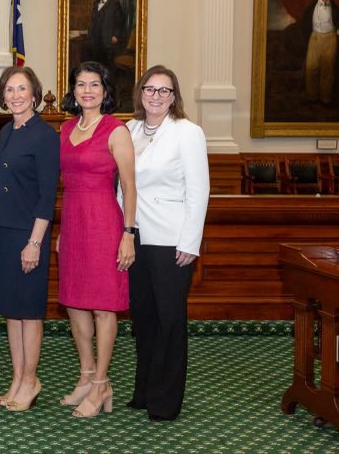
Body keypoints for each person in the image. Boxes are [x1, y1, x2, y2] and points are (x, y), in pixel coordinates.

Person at [125, 65, 209, 422]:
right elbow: (123, 186)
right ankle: (144, 391)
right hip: (136, 237)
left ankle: (166, 400)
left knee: (170, 320)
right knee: (143, 320)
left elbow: (199, 189)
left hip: (172, 240)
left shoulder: (187, 133)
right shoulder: (128, 129)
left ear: (174, 97)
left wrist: (190, 241)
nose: (156, 96)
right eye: (150, 89)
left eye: (164, 90)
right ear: (140, 93)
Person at [57, 60, 136, 418]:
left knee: (104, 305)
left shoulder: (116, 130)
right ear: (73, 91)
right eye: (80, 84)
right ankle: (86, 375)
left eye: (94, 84)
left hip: (105, 222)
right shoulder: (65, 128)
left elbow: (130, 189)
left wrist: (128, 235)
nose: (87, 90)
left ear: (105, 91)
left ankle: (103, 383)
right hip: (73, 222)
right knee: (74, 302)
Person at [0, 66, 60, 412]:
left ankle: (31, 380)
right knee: (11, 312)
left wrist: (34, 243)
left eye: (22, 89)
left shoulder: (45, 136)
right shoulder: (6, 133)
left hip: (29, 234)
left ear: (34, 94)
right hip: (3, 231)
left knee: (29, 312)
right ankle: (17, 378)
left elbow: (46, 197)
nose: (15, 95)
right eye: (9, 90)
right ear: (3, 96)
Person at [301, 0, 339, 105]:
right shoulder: (311, 7)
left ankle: (325, 99)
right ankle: (312, 97)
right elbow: (304, 24)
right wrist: (308, 37)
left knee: (327, 70)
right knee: (311, 68)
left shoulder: (336, 8)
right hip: (314, 38)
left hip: (330, 39)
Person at [84, 0, 125, 73]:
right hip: (95, 38)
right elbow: (93, 20)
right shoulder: (95, 3)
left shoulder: (114, 5)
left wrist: (115, 35)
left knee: (107, 63)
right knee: (95, 61)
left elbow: (120, 22)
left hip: (107, 38)